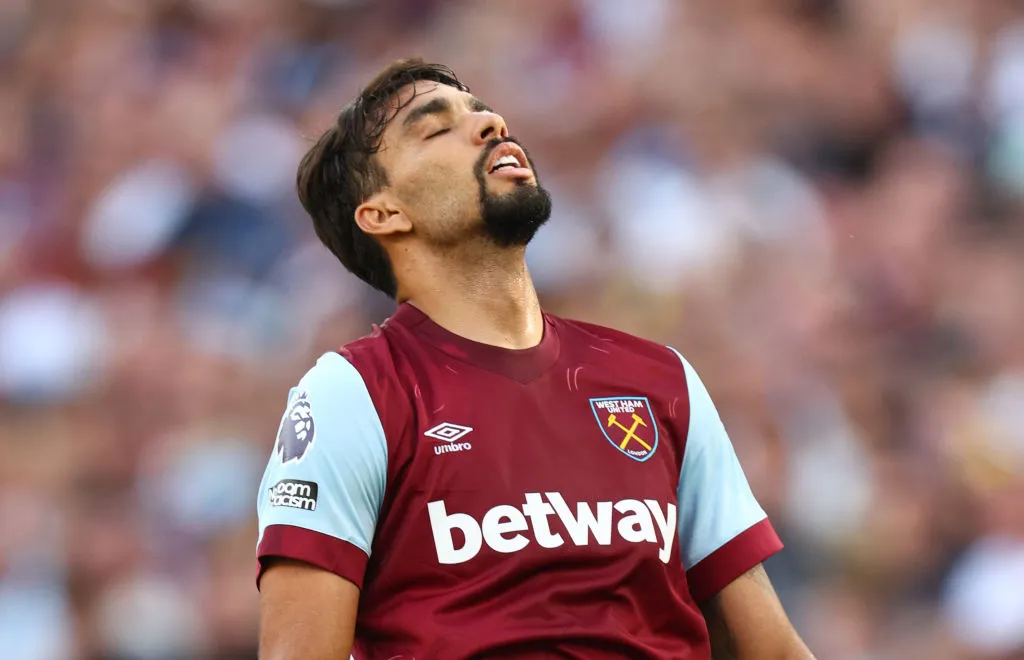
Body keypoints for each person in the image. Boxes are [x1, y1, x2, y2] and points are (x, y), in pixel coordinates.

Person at [255, 58, 815, 660]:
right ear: (384, 213)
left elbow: (771, 649)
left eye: (482, 112)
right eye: (436, 129)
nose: (492, 123)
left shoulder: (660, 381)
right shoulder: (356, 394)